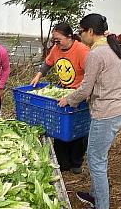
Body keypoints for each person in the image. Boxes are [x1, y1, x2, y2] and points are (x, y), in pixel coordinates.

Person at [58, 14, 121, 209]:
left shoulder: (96, 54)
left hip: (107, 112)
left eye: (81, 31)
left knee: (96, 160)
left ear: (90, 31)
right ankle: (95, 194)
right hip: (120, 108)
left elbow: (85, 89)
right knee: (95, 153)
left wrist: (68, 100)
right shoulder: (110, 46)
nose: (79, 36)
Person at [31, 23, 90, 174]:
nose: (55, 44)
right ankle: (63, 162)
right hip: (62, 92)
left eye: (58, 40)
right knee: (60, 127)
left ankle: (76, 162)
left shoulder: (82, 50)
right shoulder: (56, 49)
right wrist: (38, 75)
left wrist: (78, 94)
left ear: (69, 37)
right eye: (54, 41)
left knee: (77, 129)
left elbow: (91, 75)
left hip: (78, 94)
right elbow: (48, 63)